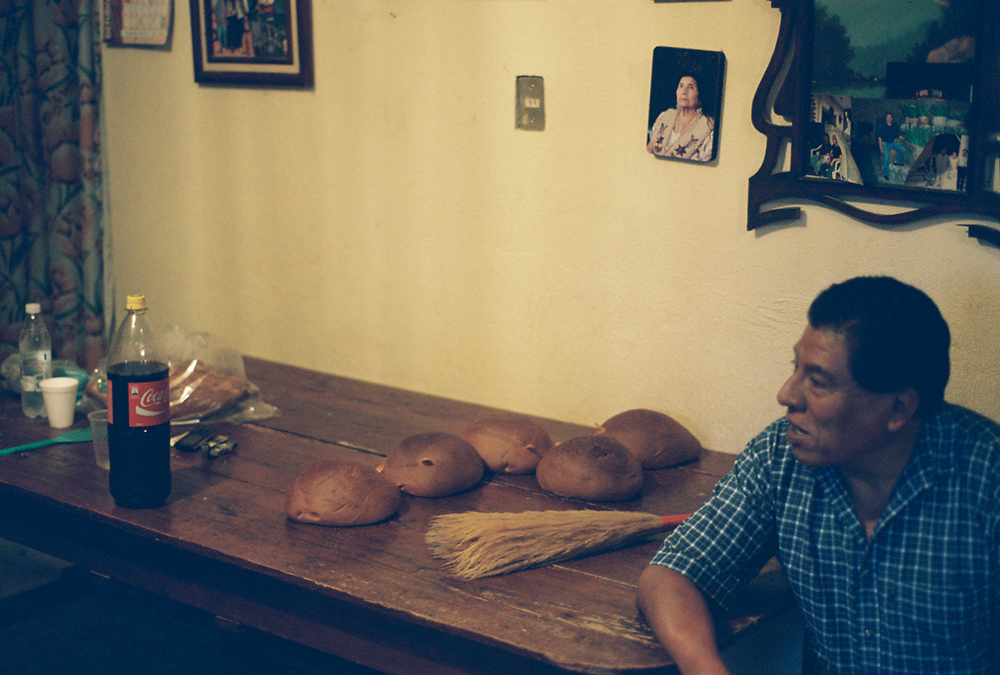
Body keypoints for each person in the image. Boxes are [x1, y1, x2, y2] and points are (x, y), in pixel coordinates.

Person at [636, 276, 1000, 675]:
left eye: (819, 381)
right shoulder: (781, 455)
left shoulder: (987, 478)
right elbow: (670, 574)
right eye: (796, 368)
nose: (787, 395)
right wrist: (705, 668)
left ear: (898, 408)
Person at [647, 75, 715, 162]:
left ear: (700, 94)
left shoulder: (708, 125)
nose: (684, 92)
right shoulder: (666, 115)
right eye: (681, 86)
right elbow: (649, 149)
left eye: (690, 87)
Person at [878, 113, 908, 181]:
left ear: (892, 118)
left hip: (893, 142)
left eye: (890, 117)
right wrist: (880, 147)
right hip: (885, 144)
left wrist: (904, 140)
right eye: (888, 117)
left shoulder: (894, 126)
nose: (889, 119)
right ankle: (886, 174)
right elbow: (879, 137)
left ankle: (897, 162)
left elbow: (898, 135)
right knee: (886, 159)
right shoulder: (882, 126)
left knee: (903, 150)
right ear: (885, 118)